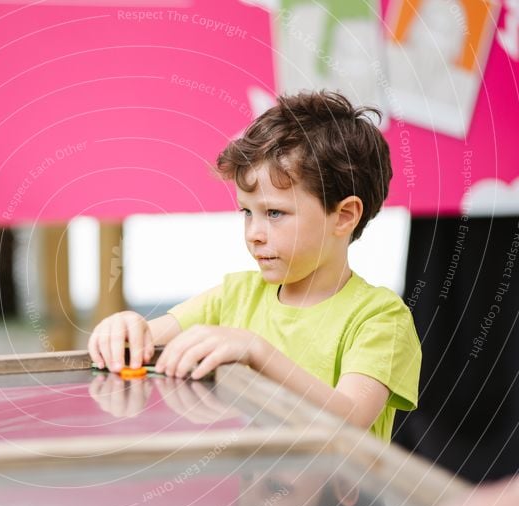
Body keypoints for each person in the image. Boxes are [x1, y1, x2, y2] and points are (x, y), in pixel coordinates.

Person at [87, 90, 421, 441]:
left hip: (340, 496)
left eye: (274, 213)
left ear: (344, 216)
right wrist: (123, 328)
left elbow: (350, 416)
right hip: (253, 492)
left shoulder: (380, 319)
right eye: (247, 212)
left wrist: (256, 351)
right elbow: (141, 341)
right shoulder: (234, 296)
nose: (254, 234)